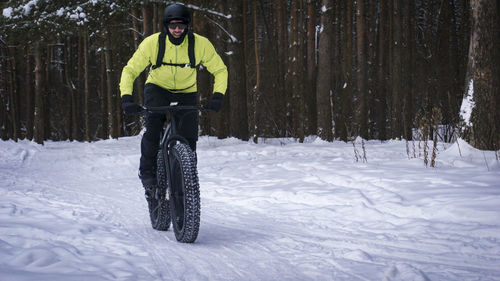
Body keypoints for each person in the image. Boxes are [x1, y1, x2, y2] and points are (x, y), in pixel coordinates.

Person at [119, 3, 228, 194]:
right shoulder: (153, 43)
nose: (177, 30)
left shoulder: (199, 44)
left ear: (187, 25)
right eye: (172, 26)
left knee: (189, 139)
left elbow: (220, 70)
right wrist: (127, 98)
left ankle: (186, 180)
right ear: (166, 25)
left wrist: (218, 96)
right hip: (158, 89)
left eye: (181, 26)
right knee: (153, 129)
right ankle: (147, 173)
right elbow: (130, 70)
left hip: (186, 91)